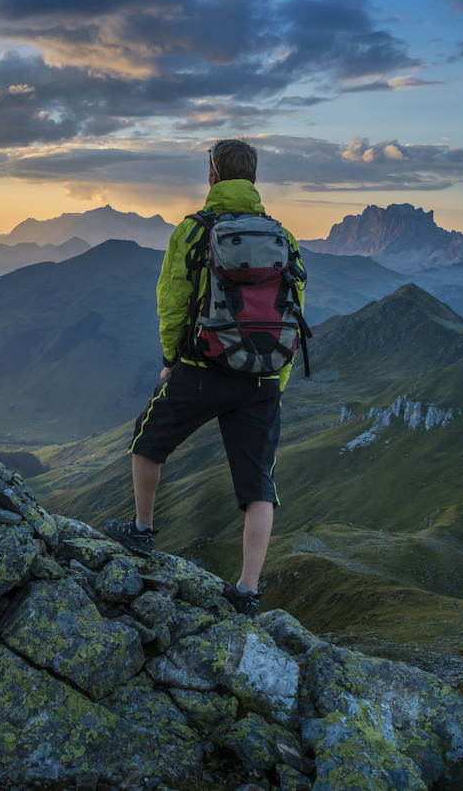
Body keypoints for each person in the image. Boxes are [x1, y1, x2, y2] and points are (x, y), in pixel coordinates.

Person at [105, 138, 307, 618]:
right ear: (254, 179)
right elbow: (297, 307)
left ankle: (141, 530)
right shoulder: (283, 236)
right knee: (258, 484)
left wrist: (173, 356)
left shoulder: (194, 231)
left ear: (212, 175)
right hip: (261, 376)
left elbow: (172, 299)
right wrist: (275, 376)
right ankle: (248, 591)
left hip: (202, 367)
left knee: (148, 441)